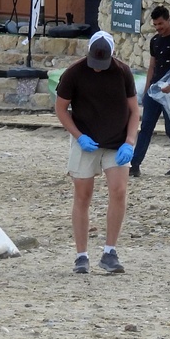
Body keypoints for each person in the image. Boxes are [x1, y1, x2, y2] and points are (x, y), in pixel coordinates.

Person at [55, 31, 140, 274]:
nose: (98, 69)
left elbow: (134, 110)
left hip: (116, 142)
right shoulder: (74, 72)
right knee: (83, 195)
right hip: (86, 141)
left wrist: (130, 141)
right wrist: (79, 136)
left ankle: (109, 251)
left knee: (119, 190)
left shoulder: (123, 72)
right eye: (95, 64)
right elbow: (61, 109)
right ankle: (81, 255)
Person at [129, 5, 170, 177]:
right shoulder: (155, 41)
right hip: (154, 91)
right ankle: (135, 165)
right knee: (146, 128)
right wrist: (147, 87)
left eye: (161, 24)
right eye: (155, 25)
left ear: (168, 20)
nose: (158, 28)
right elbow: (152, 65)